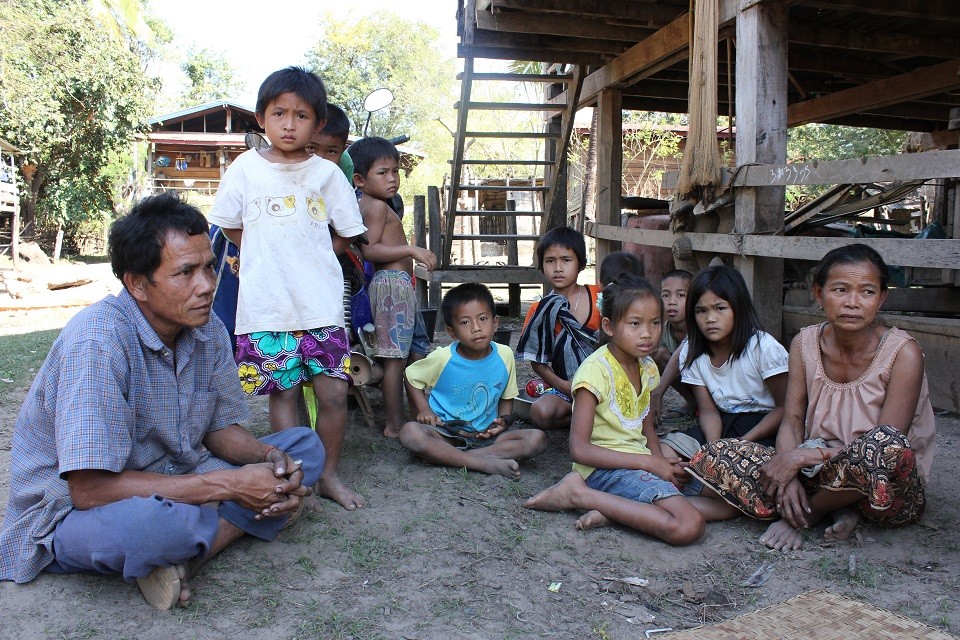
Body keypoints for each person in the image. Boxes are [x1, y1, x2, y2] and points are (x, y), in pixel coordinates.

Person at [0, 194, 325, 610]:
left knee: (301, 449)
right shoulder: (98, 342)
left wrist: (269, 457)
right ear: (137, 283)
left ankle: (190, 557)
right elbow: (89, 490)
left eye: (208, 266)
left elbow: (218, 429)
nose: (207, 285)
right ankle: (231, 522)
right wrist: (232, 485)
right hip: (72, 508)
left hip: (179, 474)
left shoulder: (207, 329)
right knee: (153, 526)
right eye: (185, 272)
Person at [686, 244, 936, 551]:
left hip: (884, 491)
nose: (853, 303)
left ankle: (807, 513)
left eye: (867, 292)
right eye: (840, 290)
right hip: (816, 474)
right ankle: (833, 506)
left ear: (882, 298)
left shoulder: (903, 353)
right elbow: (791, 420)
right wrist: (787, 474)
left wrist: (801, 458)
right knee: (719, 453)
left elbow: (889, 444)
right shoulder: (804, 343)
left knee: (884, 445)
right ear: (818, 294)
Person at [206, 67, 368, 511]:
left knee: (334, 393)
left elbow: (347, 232)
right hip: (267, 307)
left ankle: (329, 475)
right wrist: (267, 255)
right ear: (262, 118)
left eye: (301, 115)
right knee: (285, 395)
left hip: (320, 307)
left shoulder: (327, 175)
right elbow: (231, 227)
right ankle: (295, 479)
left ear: (317, 123)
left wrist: (313, 253)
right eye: (280, 113)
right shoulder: (245, 169)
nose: (290, 124)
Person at [524, 275, 735, 542]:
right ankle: (578, 494)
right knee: (688, 526)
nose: (647, 333)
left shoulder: (646, 366)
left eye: (655, 323)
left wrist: (659, 461)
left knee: (726, 502)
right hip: (604, 470)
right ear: (609, 327)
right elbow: (579, 449)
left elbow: (646, 428)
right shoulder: (594, 373)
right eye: (635, 324)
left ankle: (616, 511)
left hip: (639, 460)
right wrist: (648, 463)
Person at [398, 283, 548, 479]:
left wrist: (503, 420)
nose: (476, 328)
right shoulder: (443, 358)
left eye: (483, 319)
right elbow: (410, 376)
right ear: (452, 332)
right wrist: (424, 409)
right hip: (446, 434)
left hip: (487, 437)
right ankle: (484, 463)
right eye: (465, 323)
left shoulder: (504, 355)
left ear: (495, 323)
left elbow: (507, 396)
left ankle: (456, 458)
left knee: (537, 439)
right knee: (410, 433)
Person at [348, 136, 437, 437]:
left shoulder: (376, 204)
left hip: (398, 286)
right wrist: (411, 250)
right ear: (359, 179)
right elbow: (369, 250)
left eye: (395, 171)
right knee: (395, 360)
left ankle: (416, 415)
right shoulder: (374, 206)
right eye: (382, 172)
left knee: (412, 354)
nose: (392, 179)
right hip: (390, 286)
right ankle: (394, 424)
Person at [658, 265, 788, 461]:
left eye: (720, 308)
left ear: (738, 307)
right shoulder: (693, 352)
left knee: (742, 470)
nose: (710, 319)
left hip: (765, 427)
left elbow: (784, 408)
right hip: (721, 423)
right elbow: (709, 411)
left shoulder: (763, 348)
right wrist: (714, 448)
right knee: (664, 453)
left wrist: (739, 444)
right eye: (701, 311)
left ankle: (700, 482)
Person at [517, 227, 600, 429]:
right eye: (550, 261)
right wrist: (563, 385)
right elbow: (538, 362)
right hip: (566, 386)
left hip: (606, 381)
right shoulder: (539, 311)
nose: (558, 268)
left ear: (580, 263)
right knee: (540, 412)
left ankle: (595, 416)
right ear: (542, 265)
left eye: (566, 260)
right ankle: (592, 419)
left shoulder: (600, 297)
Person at [650, 270, 697, 422]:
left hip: (708, 384)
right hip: (689, 381)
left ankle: (706, 406)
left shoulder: (699, 326)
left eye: (681, 295)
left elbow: (679, 357)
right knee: (657, 354)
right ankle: (693, 403)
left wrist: (658, 393)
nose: (672, 301)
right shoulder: (665, 328)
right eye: (666, 295)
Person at [306, 103, 355, 178]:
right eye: (311, 148)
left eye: (331, 151)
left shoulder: (345, 163)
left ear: (342, 150)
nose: (320, 159)